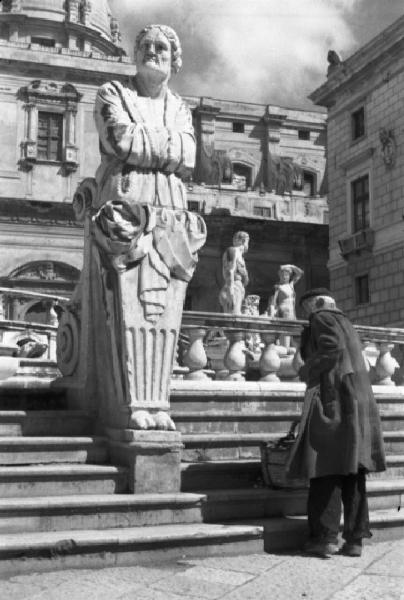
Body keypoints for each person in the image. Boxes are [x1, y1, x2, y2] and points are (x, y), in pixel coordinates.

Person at [287, 288, 386, 558]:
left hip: (335, 403)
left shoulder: (323, 318)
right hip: (356, 404)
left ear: (318, 303)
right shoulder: (346, 322)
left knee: (324, 468)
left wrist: (307, 370)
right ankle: (355, 540)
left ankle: (324, 537)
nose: (308, 315)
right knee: (353, 473)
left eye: (308, 308)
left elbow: (332, 346)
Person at [218, 231, 249, 315]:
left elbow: (246, 279)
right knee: (233, 317)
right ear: (243, 241)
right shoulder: (232, 250)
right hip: (233, 288)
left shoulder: (242, 257)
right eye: (247, 241)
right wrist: (231, 290)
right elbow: (230, 271)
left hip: (239, 288)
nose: (247, 245)